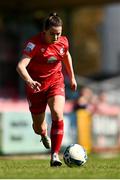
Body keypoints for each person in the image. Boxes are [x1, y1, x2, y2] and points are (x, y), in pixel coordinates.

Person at [16, 12, 77, 167]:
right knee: (39, 127)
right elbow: (20, 66)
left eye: (59, 34)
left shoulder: (63, 42)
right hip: (36, 87)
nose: (56, 37)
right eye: (52, 34)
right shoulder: (33, 44)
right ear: (44, 32)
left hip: (56, 82)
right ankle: (43, 134)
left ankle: (55, 156)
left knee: (57, 112)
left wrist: (72, 77)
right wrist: (30, 81)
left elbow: (66, 55)